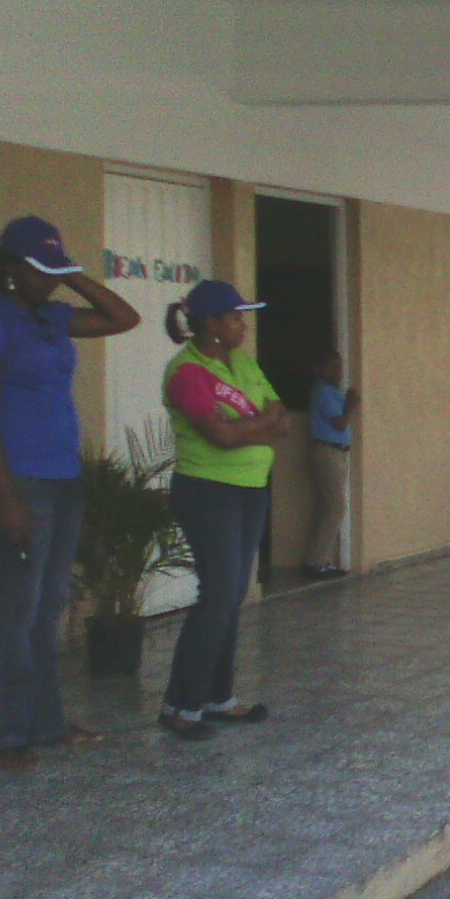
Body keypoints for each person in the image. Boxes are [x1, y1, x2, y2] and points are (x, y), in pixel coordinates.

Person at [0, 216, 139, 769]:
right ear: (10, 268)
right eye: (40, 267)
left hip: (62, 477)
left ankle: (45, 722)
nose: (49, 278)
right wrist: (8, 495)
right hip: (16, 479)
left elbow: (124, 318)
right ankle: (2, 735)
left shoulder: (53, 317)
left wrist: (72, 276)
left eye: (54, 266)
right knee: (18, 604)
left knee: (49, 604)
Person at [158, 280, 288, 740]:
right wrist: (258, 427)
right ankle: (180, 706)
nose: (243, 324)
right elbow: (221, 436)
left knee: (232, 597)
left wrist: (248, 427)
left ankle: (217, 697)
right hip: (209, 491)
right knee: (217, 596)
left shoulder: (244, 363)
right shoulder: (189, 372)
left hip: (252, 488)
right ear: (211, 324)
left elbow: (282, 418)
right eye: (234, 317)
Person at [303, 349, 358, 580]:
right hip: (327, 452)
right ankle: (316, 562)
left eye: (340, 366)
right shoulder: (323, 392)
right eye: (332, 366)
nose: (338, 371)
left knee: (329, 506)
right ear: (319, 369)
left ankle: (320, 560)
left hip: (338, 453)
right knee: (336, 506)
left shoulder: (333, 391)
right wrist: (351, 404)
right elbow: (340, 423)